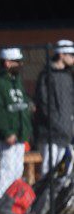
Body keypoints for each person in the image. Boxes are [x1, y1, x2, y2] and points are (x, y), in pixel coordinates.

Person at [0, 48, 33, 198]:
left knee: (17, 171)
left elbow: (21, 104)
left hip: (20, 135)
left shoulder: (17, 82)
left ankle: (14, 203)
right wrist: (7, 132)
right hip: (7, 136)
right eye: (17, 62)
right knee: (7, 170)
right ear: (8, 63)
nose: (20, 64)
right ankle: (3, 202)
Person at [34, 39, 74, 175]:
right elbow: (44, 103)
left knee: (64, 169)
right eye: (71, 55)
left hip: (66, 133)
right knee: (49, 169)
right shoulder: (46, 75)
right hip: (50, 132)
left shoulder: (69, 76)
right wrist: (57, 123)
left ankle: (59, 196)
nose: (73, 58)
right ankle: (47, 195)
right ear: (61, 55)